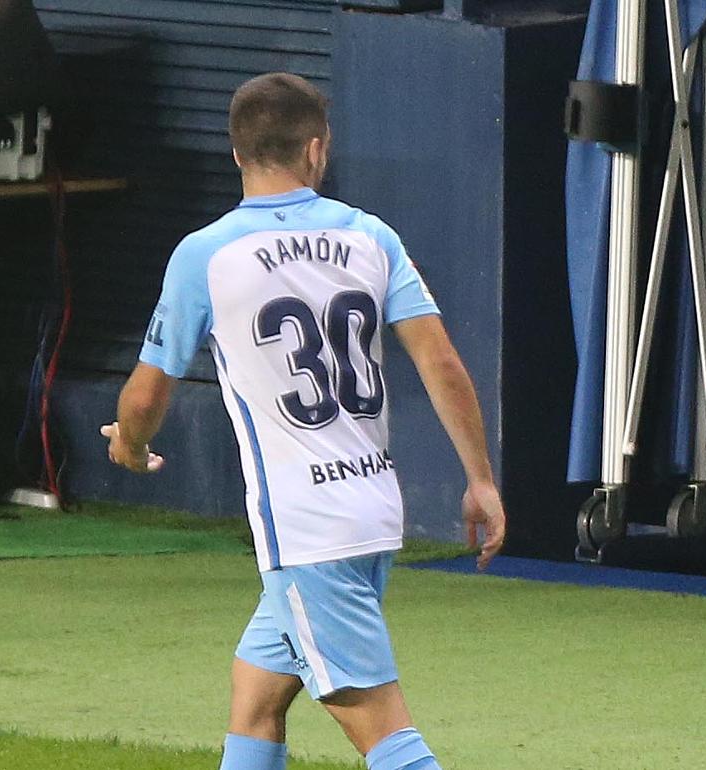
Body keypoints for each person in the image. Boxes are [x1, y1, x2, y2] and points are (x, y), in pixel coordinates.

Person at [99, 72, 506, 770]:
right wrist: (480, 479)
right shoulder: (370, 236)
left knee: (386, 736)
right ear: (317, 150)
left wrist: (131, 447)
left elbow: (144, 395)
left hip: (306, 531)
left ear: (236, 153)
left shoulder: (208, 254)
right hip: (374, 509)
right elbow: (441, 364)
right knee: (255, 696)